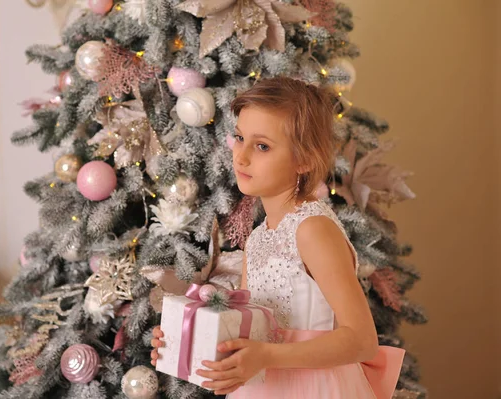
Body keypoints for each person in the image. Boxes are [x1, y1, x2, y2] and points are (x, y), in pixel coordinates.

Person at [150, 77, 405, 398]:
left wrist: (268, 356)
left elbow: (361, 340)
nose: (241, 157)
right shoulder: (257, 238)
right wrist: (184, 339)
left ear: (304, 160)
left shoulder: (313, 229)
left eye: (262, 146)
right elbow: (246, 324)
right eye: (240, 138)